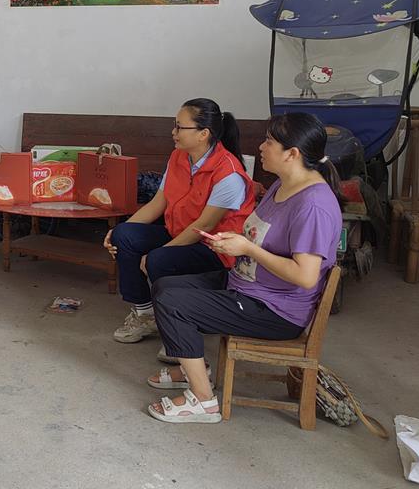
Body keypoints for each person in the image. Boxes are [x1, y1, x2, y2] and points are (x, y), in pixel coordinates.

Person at [145, 112, 343, 424]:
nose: (261, 147)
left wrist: (248, 249)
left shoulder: (313, 206)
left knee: (173, 303)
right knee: (166, 285)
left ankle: (203, 401)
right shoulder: (282, 186)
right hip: (248, 286)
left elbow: (305, 276)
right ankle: (195, 369)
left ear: (292, 154)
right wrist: (232, 243)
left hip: (274, 309)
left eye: (269, 141)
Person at [103, 99, 255, 344]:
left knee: (159, 260)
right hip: (179, 233)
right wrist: (118, 232)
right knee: (125, 236)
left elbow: (204, 227)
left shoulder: (229, 173)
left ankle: (176, 328)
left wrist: (158, 253)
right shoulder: (179, 157)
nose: (173, 132)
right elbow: (157, 204)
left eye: (179, 127)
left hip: (214, 250)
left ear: (203, 134)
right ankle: (145, 314)